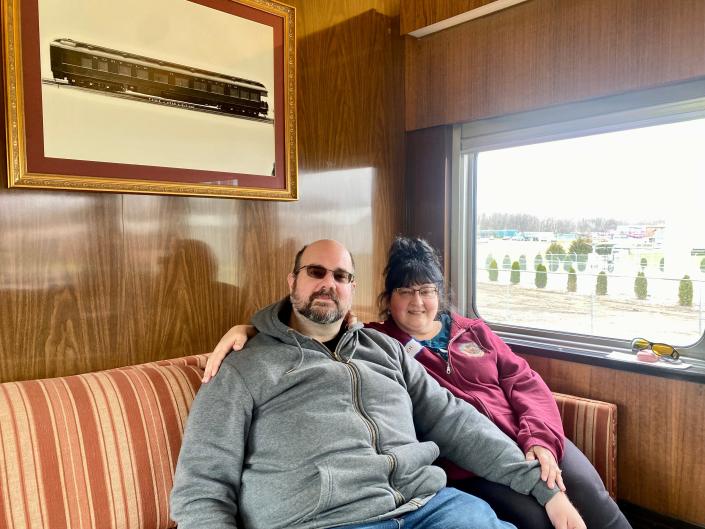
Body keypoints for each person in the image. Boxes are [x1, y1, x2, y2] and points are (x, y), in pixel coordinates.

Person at [206, 237, 631, 529]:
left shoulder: (400, 345)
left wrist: (538, 446)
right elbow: (204, 483)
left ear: (352, 289)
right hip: (331, 514)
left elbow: (503, 391)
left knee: (586, 494)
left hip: (440, 495)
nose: (328, 284)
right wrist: (255, 329)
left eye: (340, 277)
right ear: (292, 281)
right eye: (315, 272)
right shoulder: (247, 365)